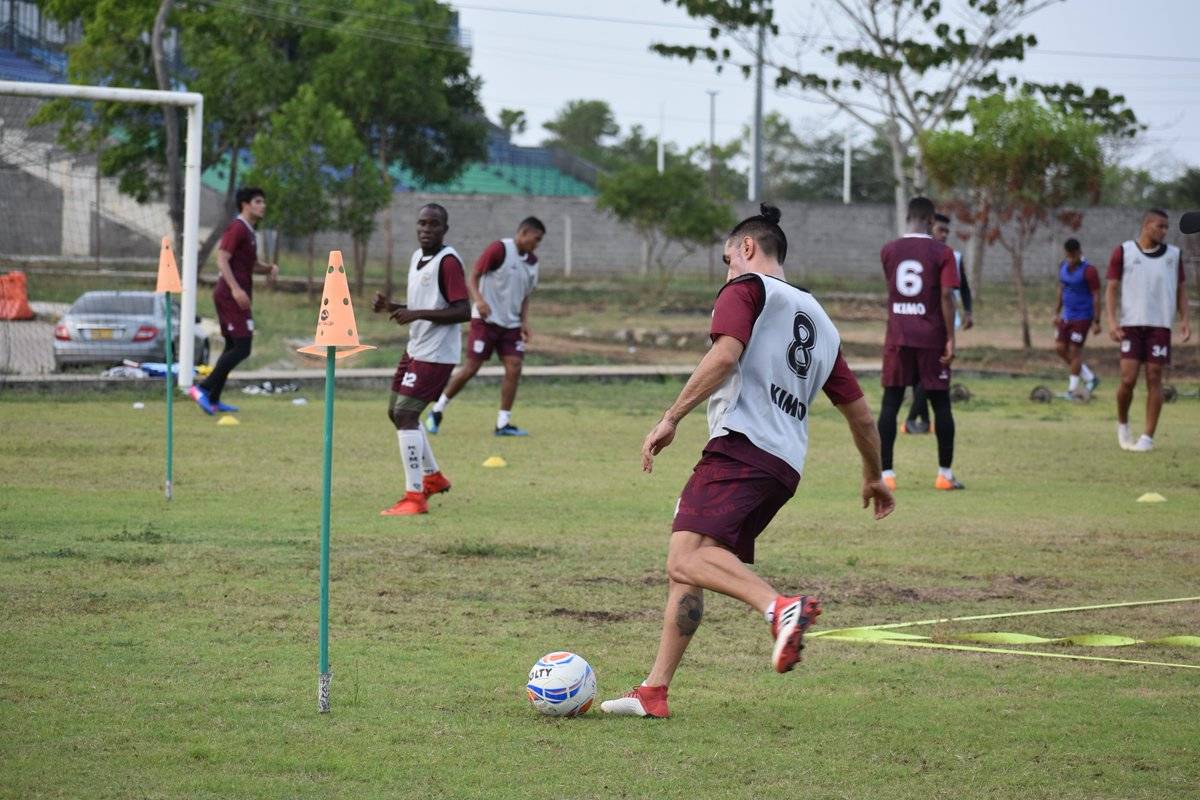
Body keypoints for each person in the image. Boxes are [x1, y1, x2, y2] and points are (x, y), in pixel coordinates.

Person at [599, 205, 894, 719]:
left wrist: (671, 417)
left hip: (739, 447)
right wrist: (874, 475)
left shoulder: (746, 289)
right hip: (783, 467)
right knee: (690, 568)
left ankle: (780, 609)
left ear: (749, 249)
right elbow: (862, 418)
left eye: (726, 258)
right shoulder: (822, 324)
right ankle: (654, 692)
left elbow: (724, 356)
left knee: (682, 558)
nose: (726, 270)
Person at [372, 204, 470, 515]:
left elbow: (462, 311)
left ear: (445, 229)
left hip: (437, 355)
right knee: (396, 413)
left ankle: (414, 497)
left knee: (405, 415)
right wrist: (393, 306)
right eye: (422, 223)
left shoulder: (449, 262)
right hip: (416, 347)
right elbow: (424, 304)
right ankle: (433, 477)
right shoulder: (417, 258)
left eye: (434, 224)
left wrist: (416, 313)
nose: (426, 229)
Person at [426, 217, 545, 436]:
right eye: (536, 239)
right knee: (472, 368)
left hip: (511, 325)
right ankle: (437, 410)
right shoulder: (499, 249)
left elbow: (526, 295)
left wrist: (524, 322)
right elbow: (474, 275)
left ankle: (502, 423)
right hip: (486, 321)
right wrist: (479, 300)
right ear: (525, 232)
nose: (536, 244)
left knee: (515, 367)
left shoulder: (532, 263)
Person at [876, 197, 962, 491]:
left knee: (891, 403)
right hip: (931, 338)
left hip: (898, 336)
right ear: (929, 221)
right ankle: (944, 475)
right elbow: (947, 295)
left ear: (908, 218)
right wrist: (951, 337)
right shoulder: (943, 252)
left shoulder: (888, 250)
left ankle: (886, 475)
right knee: (941, 405)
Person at [1106, 209, 1191, 452]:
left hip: (1160, 326)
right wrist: (1112, 322)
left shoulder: (1174, 255)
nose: (1164, 231)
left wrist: (1185, 319)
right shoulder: (1124, 252)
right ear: (1146, 225)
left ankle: (1147, 438)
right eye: (1159, 226)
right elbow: (1111, 289)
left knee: (1154, 376)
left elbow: (1181, 290)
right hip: (1131, 325)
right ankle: (1123, 424)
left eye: (1166, 227)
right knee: (1128, 378)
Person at [189, 187, 277, 414]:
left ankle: (215, 399)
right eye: (258, 201)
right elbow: (222, 259)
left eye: (263, 201)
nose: (263, 206)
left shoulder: (249, 231)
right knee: (242, 347)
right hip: (229, 296)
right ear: (245, 205)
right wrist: (236, 289)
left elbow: (251, 265)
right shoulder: (237, 228)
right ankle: (202, 389)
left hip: (236, 297)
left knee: (231, 346)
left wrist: (268, 268)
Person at [903, 212, 972, 433]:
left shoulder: (953, 256)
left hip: (941, 324)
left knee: (930, 372)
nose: (944, 235)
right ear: (930, 227)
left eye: (946, 232)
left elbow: (964, 287)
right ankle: (922, 420)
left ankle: (913, 419)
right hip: (913, 319)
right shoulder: (915, 253)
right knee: (916, 374)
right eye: (940, 230)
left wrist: (968, 311)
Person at [1054, 238, 1101, 400]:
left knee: (1075, 351)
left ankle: (1072, 391)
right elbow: (1061, 290)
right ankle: (1089, 377)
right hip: (1067, 315)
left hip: (1083, 316)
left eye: (1073, 256)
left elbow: (1096, 295)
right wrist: (1056, 312)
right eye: (1068, 256)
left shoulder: (1089, 271)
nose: (1070, 260)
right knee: (1060, 348)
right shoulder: (1063, 267)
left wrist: (1096, 320)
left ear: (1079, 253)